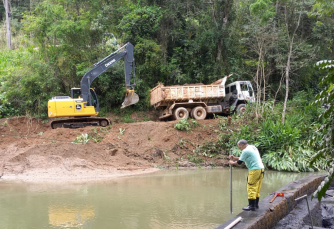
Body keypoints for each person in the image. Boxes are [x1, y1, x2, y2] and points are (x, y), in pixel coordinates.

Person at [228, 139, 264, 211]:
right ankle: (255, 205)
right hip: (261, 169)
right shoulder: (252, 147)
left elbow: (239, 163)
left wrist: (232, 162)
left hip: (254, 170)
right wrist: (235, 158)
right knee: (257, 187)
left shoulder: (245, 150)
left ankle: (251, 206)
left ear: (242, 145)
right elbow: (244, 157)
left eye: (240, 147)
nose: (240, 149)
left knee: (251, 187)